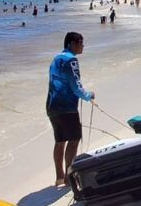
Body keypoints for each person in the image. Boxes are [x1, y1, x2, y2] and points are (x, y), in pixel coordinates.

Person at [46, 32, 95, 186]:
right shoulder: (71, 60)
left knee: (60, 141)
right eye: (81, 42)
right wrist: (88, 95)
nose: (83, 46)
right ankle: (69, 177)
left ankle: (59, 176)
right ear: (72, 44)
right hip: (66, 107)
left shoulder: (57, 58)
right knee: (74, 139)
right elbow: (75, 85)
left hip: (52, 105)